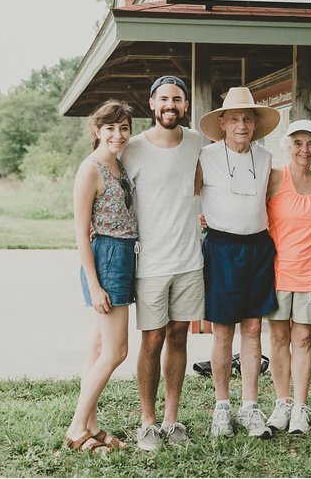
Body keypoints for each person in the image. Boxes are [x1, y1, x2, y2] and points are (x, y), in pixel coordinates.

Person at [119, 75, 209, 451]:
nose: (170, 105)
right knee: (152, 339)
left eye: (177, 99)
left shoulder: (200, 145)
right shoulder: (132, 150)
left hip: (190, 259)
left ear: (185, 106)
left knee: (178, 335)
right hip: (150, 262)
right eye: (164, 99)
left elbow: (207, 187)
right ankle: (147, 422)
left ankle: (172, 420)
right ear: (152, 104)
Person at [194, 87, 280, 440]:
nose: (242, 125)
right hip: (222, 248)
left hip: (258, 248)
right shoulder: (205, 156)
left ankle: (250, 407)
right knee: (223, 331)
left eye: (248, 118)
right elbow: (184, 194)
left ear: (255, 123)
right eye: (235, 119)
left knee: (253, 329)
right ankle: (222, 407)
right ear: (223, 123)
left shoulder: (266, 158)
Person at [64, 99, 136, 454]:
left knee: (97, 347)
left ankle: (90, 422)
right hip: (106, 258)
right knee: (116, 350)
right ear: (97, 130)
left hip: (124, 255)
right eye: (110, 128)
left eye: (124, 128)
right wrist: (94, 285)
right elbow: (80, 232)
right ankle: (77, 427)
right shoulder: (90, 169)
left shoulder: (120, 165)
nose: (118, 135)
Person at [264, 120, 311, 435]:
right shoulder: (275, 177)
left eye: (310, 143)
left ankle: (301, 407)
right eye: (298, 143)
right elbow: (249, 208)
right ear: (288, 146)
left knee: (303, 339)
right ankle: (283, 403)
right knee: (278, 339)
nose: (304, 150)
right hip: (277, 270)